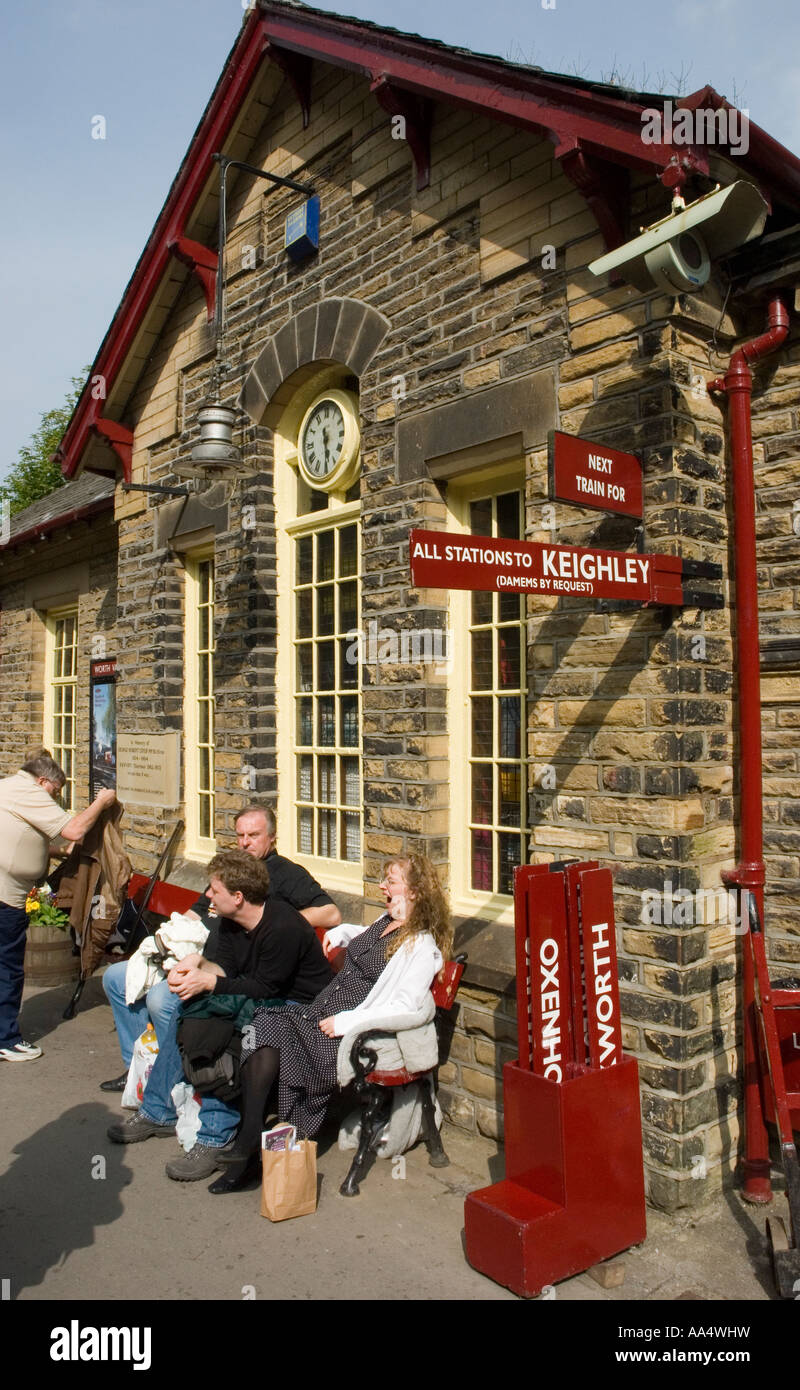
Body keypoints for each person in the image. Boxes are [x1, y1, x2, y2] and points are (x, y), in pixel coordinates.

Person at [208, 852, 452, 1194]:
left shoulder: (422, 947)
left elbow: (405, 1006)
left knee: (271, 1031)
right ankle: (252, 1142)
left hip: (346, 1032)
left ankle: (252, 1148)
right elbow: (367, 938)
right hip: (322, 1009)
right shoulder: (388, 921)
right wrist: (343, 934)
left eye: (391, 882)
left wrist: (346, 1022)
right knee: (262, 1024)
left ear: (414, 891)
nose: (382, 885)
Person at [106, 850, 334, 1182]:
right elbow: (225, 970)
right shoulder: (230, 923)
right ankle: (157, 1111)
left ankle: (215, 1136)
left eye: (214, 890)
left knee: (229, 1032)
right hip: (265, 996)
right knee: (187, 1011)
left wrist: (210, 981)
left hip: (302, 1009)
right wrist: (198, 966)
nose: (208, 897)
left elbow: (265, 988)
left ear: (238, 897)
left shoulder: (283, 925)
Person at [100, 802, 340, 1090]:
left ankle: (177, 1080)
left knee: (161, 1000)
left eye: (253, 835)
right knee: (114, 979)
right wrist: (168, 940)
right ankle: (140, 1069)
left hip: (230, 970)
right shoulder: (230, 871)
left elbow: (331, 913)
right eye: (240, 836)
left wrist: (277, 926)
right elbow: (195, 912)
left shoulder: (286, 873)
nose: (245, 842)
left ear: (272, 837)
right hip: (192, 954)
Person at [0, 751, 117, 1062]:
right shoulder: (30, 791)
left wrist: (55, 852)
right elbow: (75, 829)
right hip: (5, 897)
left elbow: (19, 833)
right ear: (43, 781)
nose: (56, 798)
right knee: (7, 970)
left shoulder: (9, 787)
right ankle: (6, 1040)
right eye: (56, 790)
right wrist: (102, 802)